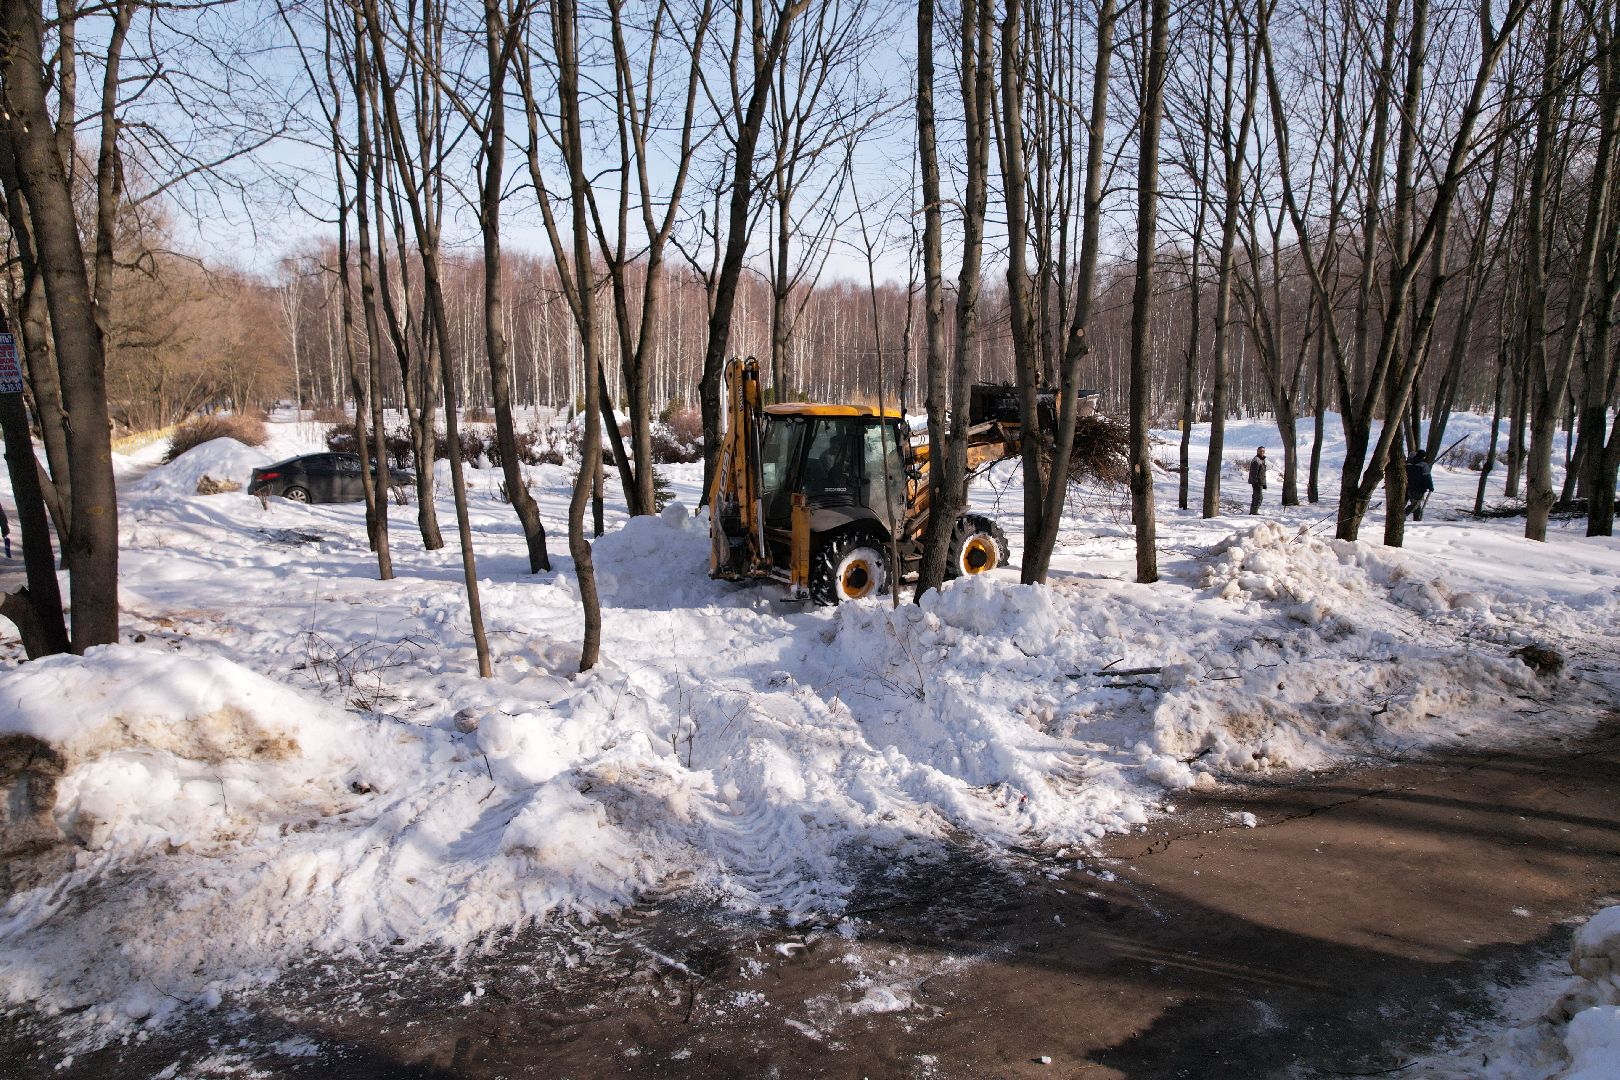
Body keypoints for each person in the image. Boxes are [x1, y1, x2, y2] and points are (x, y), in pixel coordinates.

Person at [1405, 451, 1434, 521]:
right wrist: (1430, 486)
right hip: (1419, 488)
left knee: (1416, 504)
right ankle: (1403, 514)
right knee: (1416, 504)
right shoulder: (1423, 465)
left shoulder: (1407, 463)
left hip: (1408, 486)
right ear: (1423, 457)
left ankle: (1417, 519)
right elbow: (1427, 477)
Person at [1247, 446, 1267, 514]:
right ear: (1257, 451)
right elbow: (1253, 472)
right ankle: (1254, 512)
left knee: (1256, 497)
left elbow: (1262, 473)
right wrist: (1255, 482)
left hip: (1260, 482)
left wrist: (1264, 483)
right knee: (1259, 497)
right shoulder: (1256, 460)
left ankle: (1253, 512)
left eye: (1263, 451)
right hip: (1257, 482)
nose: (1262, 452)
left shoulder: (1262, 460)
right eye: (1260, 451)